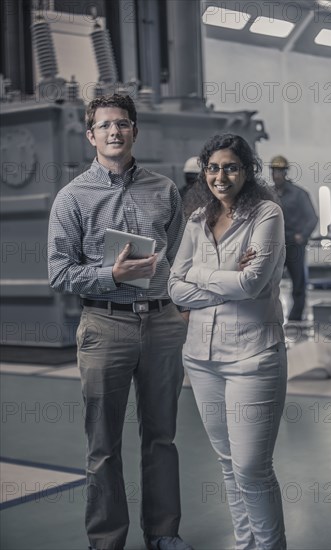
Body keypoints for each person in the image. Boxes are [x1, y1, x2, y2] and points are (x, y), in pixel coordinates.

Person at [48, 93, 193, 550]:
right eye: (106, 125)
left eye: (124, 123)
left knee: (162, 436)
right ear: (91, 135)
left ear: (135, 131)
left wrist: (180, 301)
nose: (115, 131)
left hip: (162, 324)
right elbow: (59, 271)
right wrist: (111, 274)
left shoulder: (164, 189)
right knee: (103, 444)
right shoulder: (71, 197)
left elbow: (176, 253)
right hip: (105, 326)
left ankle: (164, 533)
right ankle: (106, 541)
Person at [168, 134, 288, 550]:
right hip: (201, 357)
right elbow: (173, 287)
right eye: (214, 168)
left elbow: (252, 284)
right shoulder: (197, 218)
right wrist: (222, 279)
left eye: (231, 167)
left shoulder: (266, 214)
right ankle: (245, 544)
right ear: (205, 173)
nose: (221, 175)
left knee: (252, 467)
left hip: (253, 356)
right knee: (227, 464)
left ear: (247, 171)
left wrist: (198, 273)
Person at [270, 155, 318, 321]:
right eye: (274, 171)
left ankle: (296, 318)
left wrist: (302, 235)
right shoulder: (268, 194)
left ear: (285, 172)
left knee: (298, 283)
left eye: (279, 171)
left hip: (294, 245)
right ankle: (270, 315)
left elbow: (312, 218)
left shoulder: (299, 194)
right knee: (268, 281)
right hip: (275, 245)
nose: (276, 175)